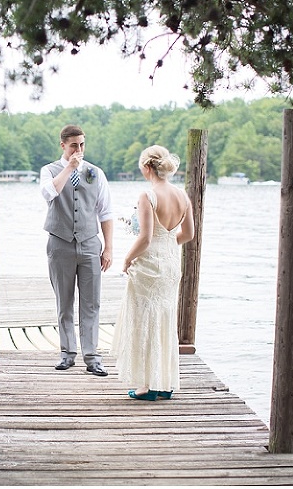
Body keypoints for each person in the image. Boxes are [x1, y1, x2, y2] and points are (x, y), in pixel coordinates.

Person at [111, 144, 195, 399]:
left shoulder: (147, 196)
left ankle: (147, 386)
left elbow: (145, 238)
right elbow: (189, 234)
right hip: (171, 263)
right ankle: (164, 384)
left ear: (147, 167)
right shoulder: (183, 196)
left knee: (144, 321)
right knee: (164, 320)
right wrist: (168, 244)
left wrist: (126, 259)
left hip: (149, 265)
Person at [40, 124, 115, 377]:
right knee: (65, 302)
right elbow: (49, 193)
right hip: (59, 243)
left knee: (91, 303)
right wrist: (69, 167)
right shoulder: (49, 171)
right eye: (74, 145)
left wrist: (108, 248)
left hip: (90, 243)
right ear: (63, 145)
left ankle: (92, 357)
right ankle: (67, 353)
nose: (79, 150)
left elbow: (105, 212)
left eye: (82, 144)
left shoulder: (96, 173)